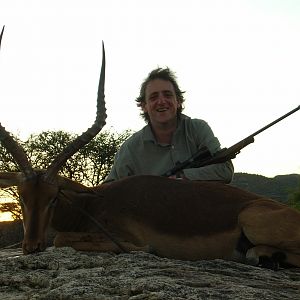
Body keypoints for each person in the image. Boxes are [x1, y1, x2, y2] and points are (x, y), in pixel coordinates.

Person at [106, 67, 234, 182]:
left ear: (178, 101)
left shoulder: (198, 129)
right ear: (144, 106)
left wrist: (183, 176)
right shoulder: (130, 148)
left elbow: (225, 170)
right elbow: (108, 187)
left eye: (167, 95)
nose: (161, 101)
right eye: (153, 97)